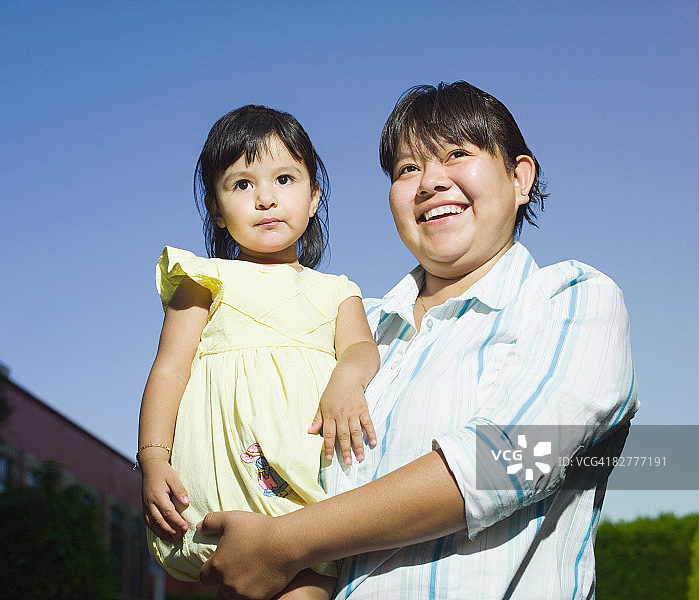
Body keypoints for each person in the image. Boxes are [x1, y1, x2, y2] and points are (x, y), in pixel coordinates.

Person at [196, 81, 639, 599]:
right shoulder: (351, 326)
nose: (430, 182)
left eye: (456, 154)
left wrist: (284, 543)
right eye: (408, 168)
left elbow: (507, 461)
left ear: (520, 177)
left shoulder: (572, 299)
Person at [137, 105, 380, 600]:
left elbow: (361, 348)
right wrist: (152, 458)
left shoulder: (337, 290)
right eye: (242, 184)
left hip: (308, 496)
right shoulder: (204, 279)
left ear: (315, 198)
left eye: (284, 179)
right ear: (217, 210)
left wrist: (344, 382)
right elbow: (168, 370)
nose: (266, 198)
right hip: (216, 498)